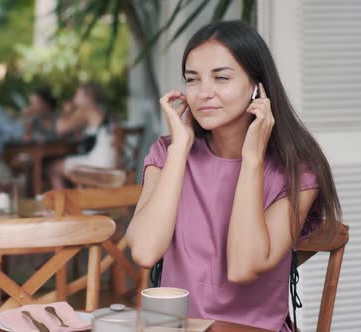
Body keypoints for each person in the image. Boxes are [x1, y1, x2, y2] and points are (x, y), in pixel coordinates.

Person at [126, 21, 342, 332]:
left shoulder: (297, 170)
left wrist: (252, 160)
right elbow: (145, 251)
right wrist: (180, 149)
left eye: (221, 78)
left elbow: (243, 267)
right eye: (192, 80)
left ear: (257, 86)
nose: (204, 93)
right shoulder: (168, 153)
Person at [47, 82, 115, 189]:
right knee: (67, 163)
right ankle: (76, 200)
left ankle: (64, 204)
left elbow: (60, 128)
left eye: (77, 94)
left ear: (86, 96)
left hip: (98, 163)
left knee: (53, 168)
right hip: (113, 161)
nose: (74, 98)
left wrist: (66, 111)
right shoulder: (103, 109)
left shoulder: (86, 108)